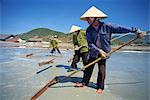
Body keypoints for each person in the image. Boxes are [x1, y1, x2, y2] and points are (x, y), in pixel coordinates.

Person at [75, 6, 144, 94]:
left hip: (104, 53)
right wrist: (99, 50)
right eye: (87, 18)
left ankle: (100, 87)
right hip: (94, 52)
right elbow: (90, 43)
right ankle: (84, 82)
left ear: (97, 18)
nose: (88, 20)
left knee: (101, 70)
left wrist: (135, 30)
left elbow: (120, 28)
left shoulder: (107, 26)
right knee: (88, 68)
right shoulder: (89, 30)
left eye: (89, 18)